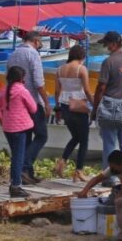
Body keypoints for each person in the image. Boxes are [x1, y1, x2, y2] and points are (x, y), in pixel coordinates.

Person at [92, 31, 122, 169]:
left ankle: (109, 177)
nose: (106, 47)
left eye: (106, 44)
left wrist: (94, 109)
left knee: (109, 145)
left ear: (113, 45)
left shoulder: (108, 62)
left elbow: (101, 88)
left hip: (109, 107)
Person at [7, 31, 48, 184]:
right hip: (33, 101)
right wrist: (46, 102)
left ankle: (27, 173)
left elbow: (8, 75)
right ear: (36, 41)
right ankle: (24, 166)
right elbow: (39, 82)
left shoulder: (14, 54)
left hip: (18, 101)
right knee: (42, 135)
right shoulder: (33, 55)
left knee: (28, 137)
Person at [0, 66, 36, 198]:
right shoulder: (22, 91)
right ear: (21, 78)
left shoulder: (4, 90)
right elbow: (33, 108)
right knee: (18, 157)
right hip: (21, 128)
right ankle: (16, 185)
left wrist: (3, 122)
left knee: (15, 156)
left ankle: (13, 183)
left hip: (8, 128)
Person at [54, 44, 92, 181]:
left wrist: (57, 107)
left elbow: (57, 91)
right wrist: (94, 104)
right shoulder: (82, 69)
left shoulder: (59, 70)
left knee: (76, 137)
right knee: (84, 140)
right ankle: (79, 171)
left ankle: (62, 162)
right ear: (81, 56)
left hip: (65, 105)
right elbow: (87, 91)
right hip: (78, 105)